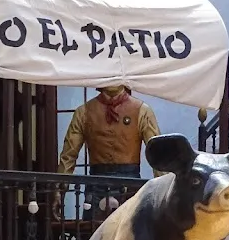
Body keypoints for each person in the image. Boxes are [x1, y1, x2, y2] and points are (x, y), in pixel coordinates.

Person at [56, 85, 162, 220]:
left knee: (130, 235)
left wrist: (163, 193)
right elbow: (68, 156)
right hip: (96, 185)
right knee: (92, 235)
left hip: (129, 185)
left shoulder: (142, 111)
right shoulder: (84, 112)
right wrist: (59, 191)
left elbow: (158, 155)